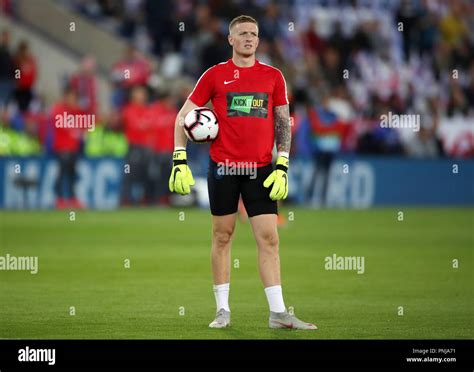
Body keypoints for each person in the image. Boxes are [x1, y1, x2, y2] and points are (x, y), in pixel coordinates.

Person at [169, 15, 317, 330]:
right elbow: (183, 118)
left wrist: (283, 164)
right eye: (242, 33)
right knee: (222, 236)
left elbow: (282, 123)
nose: (249, 38)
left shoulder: (273, 77)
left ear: (258, 40)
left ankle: (278, 314)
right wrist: (179, 159)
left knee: (269, 238)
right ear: (231, 39)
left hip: (261, 169)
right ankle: (222, 310)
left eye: (253, 33)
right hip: (223, 168)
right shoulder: (214, 76)